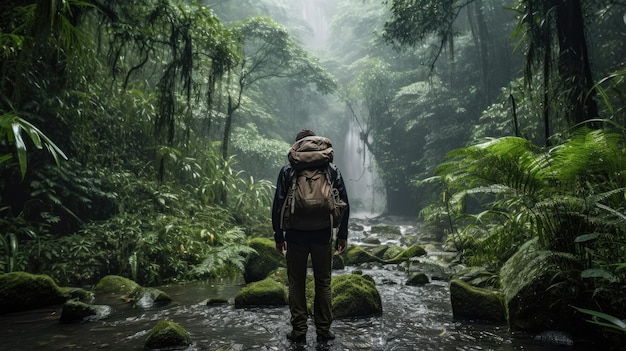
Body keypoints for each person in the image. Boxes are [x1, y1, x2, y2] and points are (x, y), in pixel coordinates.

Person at [271, 129, 350, 343]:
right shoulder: (330, 169)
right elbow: (344, 201)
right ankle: (323, 330)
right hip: (323, 233)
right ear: (316, 145)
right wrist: (342, 234)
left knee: (296, 282)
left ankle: (299, 331)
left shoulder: (289, 169)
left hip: (295, 234)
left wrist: (279, 236)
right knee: (323, 282)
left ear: (297, 147)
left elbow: (278, 205)